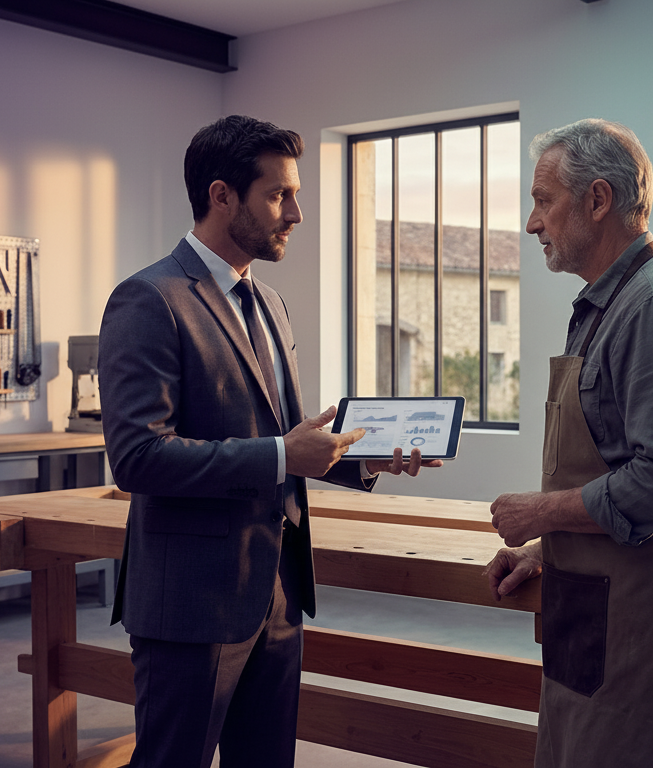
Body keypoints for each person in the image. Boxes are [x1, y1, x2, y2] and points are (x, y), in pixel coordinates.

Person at [100, 115, 437, 768]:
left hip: (277, 596)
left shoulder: (271, 305)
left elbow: (286, 437)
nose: (298, 214)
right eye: (281, 195)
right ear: (222, 195)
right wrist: (285, 455)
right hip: (191, 606)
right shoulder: (149, 300)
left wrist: (363, 456)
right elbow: (139, 457)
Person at [485, 119, 653, 768]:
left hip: (646, 613)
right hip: (598, 601)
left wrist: (541, 512)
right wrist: (550, 547)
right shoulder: (608, 303)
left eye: (544, 201)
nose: (532, 223)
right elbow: (618, 460)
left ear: (598, 201)